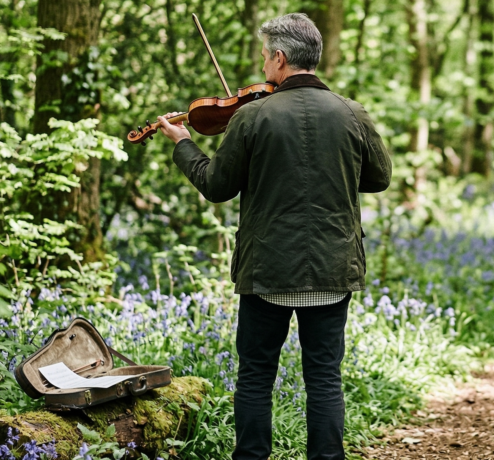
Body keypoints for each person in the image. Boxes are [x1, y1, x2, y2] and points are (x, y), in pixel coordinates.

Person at [156, 12, 392, 460]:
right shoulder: (351, 112)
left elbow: (216, 186)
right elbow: (379, 177)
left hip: (267, 271)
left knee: (256, 376)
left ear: (281, 59)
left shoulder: (253, 116)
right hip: (332, 267)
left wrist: (183, 143)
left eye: (266, 57)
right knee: (324, 377)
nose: (263, 66)